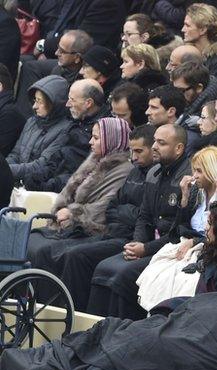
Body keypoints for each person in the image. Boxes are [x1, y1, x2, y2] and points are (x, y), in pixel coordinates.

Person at [88, 124, 192, 319]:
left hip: (170, 249)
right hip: (149, 244)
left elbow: (180, 230)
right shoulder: (154, 173)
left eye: (161, 143)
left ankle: (119, 329)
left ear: (178, 148)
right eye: (154, 142)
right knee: (103, 267)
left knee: (122, 275)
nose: (154, 147)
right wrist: (137, 243)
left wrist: (146, 249)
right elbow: (144, 216)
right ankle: (94, 327)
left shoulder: (187, 178)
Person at [26, 118, 133, 275]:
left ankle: (45, 296)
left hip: (92, 229)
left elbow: (106, 206)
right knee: (27, 239)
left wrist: (72, 213)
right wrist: (62, 208)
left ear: (112, 140)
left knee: (43, 250)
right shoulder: (94, 160)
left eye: (96, 138)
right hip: (71, 225)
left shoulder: (124, 170)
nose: (90, 142)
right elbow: (69, 192)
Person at [7, 76, 73, 192]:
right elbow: (15, 154)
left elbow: (41, 165)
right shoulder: (32, 122)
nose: (34, 106)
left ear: (54, 103)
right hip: (16, 184)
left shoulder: (65, 130)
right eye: (34, 101)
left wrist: (5, 170)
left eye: (39, 101)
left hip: (35, 188)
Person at [181, 3, 217, 90]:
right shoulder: (186, 54)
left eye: (187, 25)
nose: (183, 29)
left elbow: (213, 94)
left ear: (203, 30)